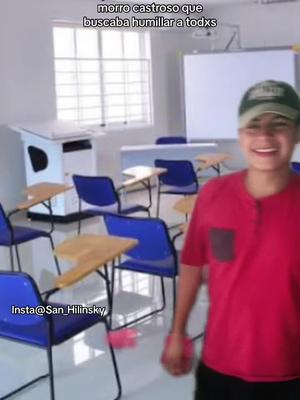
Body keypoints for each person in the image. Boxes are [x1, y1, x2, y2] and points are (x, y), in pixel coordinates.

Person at [161, 80, 300, 400]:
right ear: (240, 135)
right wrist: (178, 331)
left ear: (296, 132)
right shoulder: (213, 195)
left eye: (278, 124)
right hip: (220, 368)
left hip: (291, 373)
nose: (264, 136)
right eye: (253, 126)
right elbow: (195, 263)